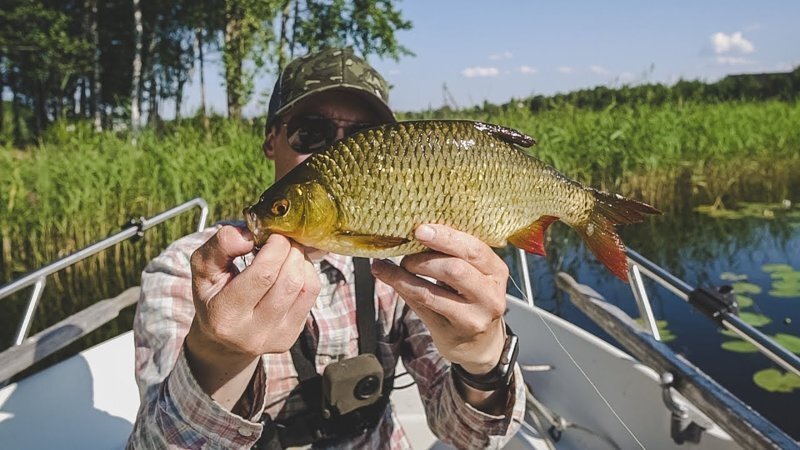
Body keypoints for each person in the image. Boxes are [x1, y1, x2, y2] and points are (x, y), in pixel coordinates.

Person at [127, 47, 525, 450]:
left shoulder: (407, 263)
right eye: (311, 132)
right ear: (271, 140)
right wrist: (217, 359)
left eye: (362, 139)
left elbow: (468, 437)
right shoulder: (185, 272)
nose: (331, 152)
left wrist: (483, 363)